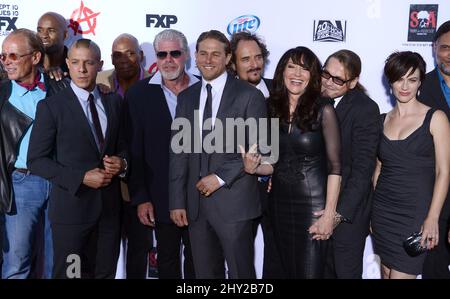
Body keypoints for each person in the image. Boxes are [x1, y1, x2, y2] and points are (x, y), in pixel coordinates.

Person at [169, 30, 266, 279]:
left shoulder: (250, 95)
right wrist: (177, 200)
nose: (208, 59)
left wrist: (220, 177)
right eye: (203, 53)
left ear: (227, 58)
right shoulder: (187, 97)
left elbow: (263, 148)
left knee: (240, 275)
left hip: (234, 203)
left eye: (215, 54)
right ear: (195, 57)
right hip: (195, 206)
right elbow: (179, 153)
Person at [27, 39, 127, 278]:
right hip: (71, 213)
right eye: (75, 62)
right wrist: (81, 177)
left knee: (104, 274)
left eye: (89, 63)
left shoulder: (114, 102)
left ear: (99, 65)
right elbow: (36, 160)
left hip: (110, 213)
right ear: (67, 65)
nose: (82, 69)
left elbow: (124, 146)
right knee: (71, 275)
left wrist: (122, 164)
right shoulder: (51, 107)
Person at [241, 46, 342, 278]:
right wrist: (254, 168)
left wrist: (329, 214)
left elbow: (336, 167)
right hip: (277, 206)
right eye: (291, 67)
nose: (297, 74)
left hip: (313, 206)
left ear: (313, 75)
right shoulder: (270, 108)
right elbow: (272, 163)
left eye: (304, 69)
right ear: (282, 71)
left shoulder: (323, 109)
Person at [372, 51, 450, 279]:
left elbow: (444, 171)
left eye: (412, 79)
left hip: (416, 215)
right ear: (390, 82)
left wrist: (433, 217)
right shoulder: (382, 119)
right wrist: (373, 213)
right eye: (399, 79)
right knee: (385, 274)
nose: (405, 86)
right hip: (383, 212)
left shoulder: (435, 118)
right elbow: (378, 169)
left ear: (420, 83)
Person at [125, 29, 196, 279]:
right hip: (159, 196)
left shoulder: (204, 89)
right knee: (166, 262)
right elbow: (134, 150)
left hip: (202, 196)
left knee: (199, 262)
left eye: (175, 53)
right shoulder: (138, 94)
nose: (168, 59)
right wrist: (141, 197)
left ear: (186, 55)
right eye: (162, 54)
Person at [0, 28, 68, 279]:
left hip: (59, 182)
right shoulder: (2, 93)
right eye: (3, 56)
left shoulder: (61, 88)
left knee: (57, 262)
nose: (7, 62)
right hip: (21, 183)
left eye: (14, 56)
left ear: (36, 58)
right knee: (17, 263)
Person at [320, 50, 380, 278]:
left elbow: (362, 171)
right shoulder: (311, 100)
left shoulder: (365, 109)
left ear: (353, 82)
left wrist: (335, 216)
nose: (329, 82)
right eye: (326, 74)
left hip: (347, 216)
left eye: (338, 79)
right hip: (314, 207)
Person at [97, 33, 152, 279]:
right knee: (104, 254)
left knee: (139, 253)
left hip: (141, 184)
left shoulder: (155, 85)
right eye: (117, 55)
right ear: (110, 58)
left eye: (130, 53)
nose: (124, 60)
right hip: (105, 184)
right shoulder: (97, 81)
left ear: (140, 56)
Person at [229, 31, 283, 278]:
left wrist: (276, 170)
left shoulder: (280, 90)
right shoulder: (224, 95)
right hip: (239, 187)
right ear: (232, 63)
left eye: (258, 57)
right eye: (246, 59)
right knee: (240, 260)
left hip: (278, 188)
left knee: (279, 256)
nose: (254, 64)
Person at [418, 20, 450, 279]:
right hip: (431, 197)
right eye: (445, 47)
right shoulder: (418, 88)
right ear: (434, 47)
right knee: (434, 269)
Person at [36, 12, 69, 80]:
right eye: (40, 30)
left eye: (51, 31)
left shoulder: (75, 64)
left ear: (65, 35)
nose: (44, 35)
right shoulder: (29, 63)